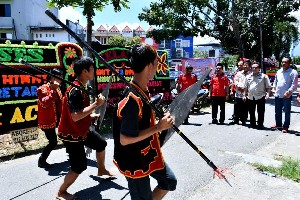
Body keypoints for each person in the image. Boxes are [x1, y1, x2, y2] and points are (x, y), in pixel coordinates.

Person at [113, 44, 177, 200]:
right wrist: (158, 127)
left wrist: (159, 124)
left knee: (169, 181)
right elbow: (125, 139)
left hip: (147, 153)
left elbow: (140, 121)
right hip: (133, 160)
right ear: (149, 65)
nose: (157, 66)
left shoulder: (142, 89)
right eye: (156, 63)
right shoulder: (132, 99)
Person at [56, 56, 114, 200]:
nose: (94, 71)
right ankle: (61, 192)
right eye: (92, 68)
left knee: (101, 143)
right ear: (84, 71)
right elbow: (75, 116)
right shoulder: (74, 90)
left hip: (81, 130)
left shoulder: (81, 86)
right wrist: (96, 105)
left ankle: (101, 170)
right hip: (71, 133)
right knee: (79, 166)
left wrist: (90, 115)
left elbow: (79, 112)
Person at [37, 68, 63, 168]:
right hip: (48, 120)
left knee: (66, 135)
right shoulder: (42, 89)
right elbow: (44, 102)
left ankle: (72, 155)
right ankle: (42, 160)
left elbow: (60, 104)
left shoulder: (58, 88)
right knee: (53, 142)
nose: (61, 80)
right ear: (52, 77)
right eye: (59, 78)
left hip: (58, 118)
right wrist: (53, 90)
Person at [272, 57, 298, 133]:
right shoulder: (279, 71)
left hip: (287, 96)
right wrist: (274, 88)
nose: (283, 63)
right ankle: (278, 124)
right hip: (278, 95)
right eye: (282, 62)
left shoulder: (293, 72)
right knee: (277, 111)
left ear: (289, 63)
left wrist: (289, 91)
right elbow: (275, 81)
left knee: (287, 111)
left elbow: (295, 84)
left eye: (285, 62)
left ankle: (286, 126)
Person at [244, 62, 271, 129]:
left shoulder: (264, 76)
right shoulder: (248, 77)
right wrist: (244, 95)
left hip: (261, 96)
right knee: (251, 111)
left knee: (261, 111)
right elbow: (245, 87)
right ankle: (253, 124)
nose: (254, 69)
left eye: (256, 67)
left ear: (259, 68)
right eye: (253, 67)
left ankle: (260, 124)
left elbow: (268, 86)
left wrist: (268, 94)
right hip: (250, 96)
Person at [230, 59, 251, 125]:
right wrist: (240, 87)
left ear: (249, 66)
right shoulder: (238, 74)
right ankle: (235, 119)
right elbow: (235, 81)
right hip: (238, 93)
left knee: (245, 107)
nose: (245, 66)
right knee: (237, 107)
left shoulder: (251, 74)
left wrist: (245, 89)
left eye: (246, 65)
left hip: (247, 94)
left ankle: (243, 119)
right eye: (244, 65)